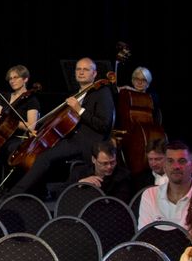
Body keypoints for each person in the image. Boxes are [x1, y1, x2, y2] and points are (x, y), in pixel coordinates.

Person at [9, 57, 115, 197]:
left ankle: (14, 195)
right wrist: (39, 130)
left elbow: (104, 125)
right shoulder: (75, 94)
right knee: (39, 152)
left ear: (94, 74)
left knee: (44, 157)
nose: (81, 72)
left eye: (86, 69)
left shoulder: (102, 93)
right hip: (71, 140)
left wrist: (79, 109)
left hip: (88, 142)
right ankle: (39, 192)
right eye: (78, 69)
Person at [139, 140, 192, 228]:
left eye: (182, 161)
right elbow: (144, 235)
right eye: (170, 161)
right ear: (164, 166)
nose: (176, 166)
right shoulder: (149, 194)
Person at [68, 142, 133, 201]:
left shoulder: (123, 177)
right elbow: (63, 194)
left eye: (112, 162)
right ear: (93, 159)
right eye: (104, 163)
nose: (109, 167)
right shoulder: (79, 171)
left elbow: (119, 204)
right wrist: (78, 184)